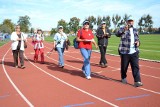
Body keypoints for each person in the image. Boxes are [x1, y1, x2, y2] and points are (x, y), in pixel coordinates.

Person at [116, 16, 143, 87]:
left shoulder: (135, 30)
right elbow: (117, 34)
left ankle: (137, 81)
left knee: (135, 66)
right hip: (125, 51)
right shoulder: (122, 28)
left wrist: (138, 43)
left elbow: (138, 39)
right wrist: (124, 29)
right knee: (124, 67)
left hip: (134, 51)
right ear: (127, 22)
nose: (130, 22)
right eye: (129, 21)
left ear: (133, 22)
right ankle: (123, 77)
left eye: (132, 21)